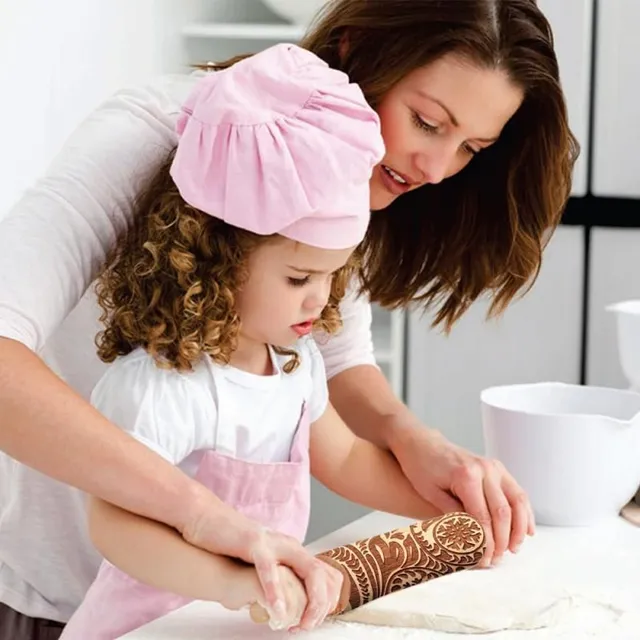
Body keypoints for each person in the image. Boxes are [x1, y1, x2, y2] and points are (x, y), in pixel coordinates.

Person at [0, 0, 577, 636]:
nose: (437, 170)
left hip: (222, 617)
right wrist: (206, 522)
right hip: (61, 603)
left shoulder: (338, 175)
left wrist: (424, 454)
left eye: (472, 146)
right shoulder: (155, 135)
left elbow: (334, 363)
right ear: (358, 50)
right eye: (427, 122)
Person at [58, 42, 449, 638]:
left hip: (244, 624)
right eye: (298, 278)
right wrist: (236, 583)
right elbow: (114, 523)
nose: (319, 300)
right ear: (218, 258)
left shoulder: (296, 366)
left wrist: (450, 507)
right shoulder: (162, 387)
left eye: (331, 276)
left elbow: (342, 457)